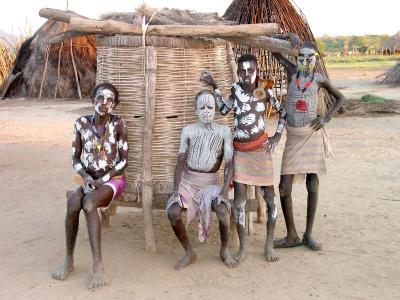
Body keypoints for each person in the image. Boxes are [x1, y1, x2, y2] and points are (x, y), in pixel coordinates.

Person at [201, 53, 286, 264]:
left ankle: (268, 245)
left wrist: (276, 136)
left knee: (270, 200)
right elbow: (222, 110)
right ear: (238, 72)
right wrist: (215, 88)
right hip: (240, 152)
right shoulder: (236, 90)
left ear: (257, 71)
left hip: (261, 151)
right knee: (238, 202)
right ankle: (242, 248)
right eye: (242, 71)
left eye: (250, 71)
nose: (246, 75)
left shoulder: (264, 91)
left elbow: (283, 113)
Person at [51, 83, 128, 289]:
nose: (104, 103)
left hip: (113, 179)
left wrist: (103, 179)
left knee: (89, 203)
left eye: (110, 100)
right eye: (100, 98)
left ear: (115, 104)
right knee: (73, 202)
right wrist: (85, 177)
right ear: (92, 99)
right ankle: (69, 260)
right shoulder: (81, 123)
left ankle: (98, 267)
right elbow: (75, 158)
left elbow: (123, 161)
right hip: (87, 179)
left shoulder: (119, 123)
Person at [271, 36, 344, 250]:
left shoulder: (320, 79)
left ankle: (308, 235)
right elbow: (274, 51)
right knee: (284, 188)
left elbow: (340, 98)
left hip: (312, 135)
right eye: (301, 57)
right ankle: (291, 234)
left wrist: (325, 118)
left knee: (312, 183)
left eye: (309, 58)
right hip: (294, 136)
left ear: (316, 59)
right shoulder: (291, 71)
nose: (304, 61)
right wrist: (283, 37)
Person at [166, 90, 237, 270]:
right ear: (195, 110)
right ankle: (189, 252)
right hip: (188, 183)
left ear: (216, 109)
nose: (206, 111)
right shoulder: (188, 131)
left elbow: (230, 164)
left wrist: (224, 193)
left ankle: (224, 250)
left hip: (211, 184)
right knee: (173, 212)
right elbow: (180, 164)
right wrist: (176, 192)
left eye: (210, 107)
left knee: (222, 211)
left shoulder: (224, 132)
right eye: (202, 107)